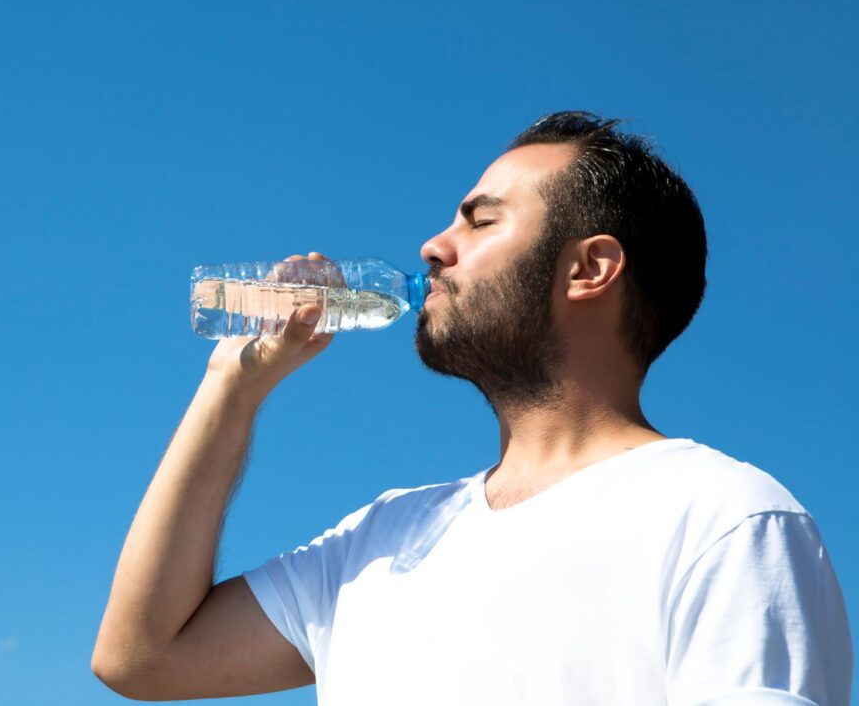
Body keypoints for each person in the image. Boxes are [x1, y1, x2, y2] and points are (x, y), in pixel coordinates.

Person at [91, 111, 853, 704]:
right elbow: (141, 657)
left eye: (480, 220)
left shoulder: (723, 518)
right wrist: (234, 384)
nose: (432, 245)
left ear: (589, 268)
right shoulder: (381, 539)